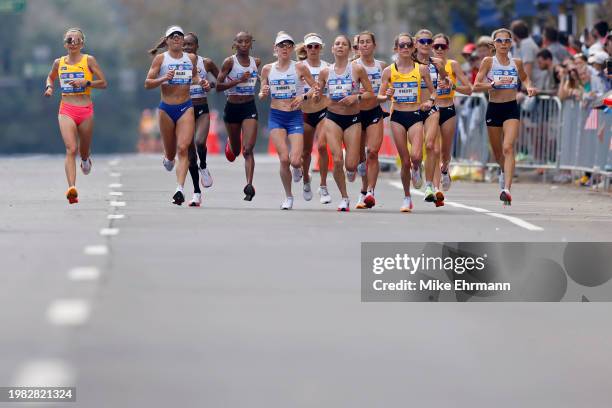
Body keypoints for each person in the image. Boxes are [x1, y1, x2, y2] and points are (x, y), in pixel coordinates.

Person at [145, 25, 208, 205]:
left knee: (183, 148)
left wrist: (201, 82)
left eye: (179, 36)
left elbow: (194, 76)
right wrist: (164, 78)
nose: (176, 39)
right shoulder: (160, 59)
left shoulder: (191, 58)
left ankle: (179, 189)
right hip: (166, 109)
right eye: (172, 37)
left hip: (185, 107)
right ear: (166, 41)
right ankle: (168, 156)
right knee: (172, 153)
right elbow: (148, 83)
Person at [44, 28, 107, 204]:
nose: (73, 43)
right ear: (65, 44)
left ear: (82, 44)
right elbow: (50, 77)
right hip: (66, 109)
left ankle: (85, 159)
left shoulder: (89, 60)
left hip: (85, 109)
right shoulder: (59, 63)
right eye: (69, 40)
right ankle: (72, 189)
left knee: (82, 150)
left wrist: (86, 82)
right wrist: (49, 87)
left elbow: (103, 83)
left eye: (76, 40)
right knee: (71, 149)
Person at [474, 28, 537, 205]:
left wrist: (529, 87)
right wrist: (492, 83)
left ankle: (507, 189)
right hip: (494, 108)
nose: (503, 44)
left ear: (511, 43)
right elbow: (476, 85)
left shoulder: (516, 62)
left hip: (511, 108)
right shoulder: (488, 61)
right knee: (497, 152)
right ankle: (502, 171)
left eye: (507, 41)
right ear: (493, 44)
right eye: (499, 41)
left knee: (508, 147)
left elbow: (525, 78)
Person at [259, 32, 319, 210]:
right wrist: (263, 92)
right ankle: (288, 196)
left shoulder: (300, 67)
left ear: (292, 49)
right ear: (275, 49)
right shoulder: (268, 69)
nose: (285, 49)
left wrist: (303, 97)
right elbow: (262, 90)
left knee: (295, 161)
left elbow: (315, 88)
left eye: (288, 45)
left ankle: (300, 171)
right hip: (277, 116)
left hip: (294, 116)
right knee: (284, 159)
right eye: (281, 46)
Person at [378, 33, 436, 212]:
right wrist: (385, 95)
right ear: (396, 49)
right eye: (401, 45)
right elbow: (380, 96)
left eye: (408, 45)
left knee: (416, 156)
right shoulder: (389, 71)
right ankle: (407, 197)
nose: (404, 48)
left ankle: (417, 168)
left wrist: (430, 101)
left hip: (416, 114)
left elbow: (434, 92)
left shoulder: (421, 69)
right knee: (404, 161)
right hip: (397, 118)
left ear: (413, 48)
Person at [317, 35, 374, 211]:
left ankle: (355, 166)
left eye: (343, 44)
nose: (340, 46)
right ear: (332, 49)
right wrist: (316, 95)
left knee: (350, 164)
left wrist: (355, 97)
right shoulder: (325, 72)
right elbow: (318, 94)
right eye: (337, 44)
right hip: (332, 118)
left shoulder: (356, 69)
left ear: (349, 49)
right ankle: (344, 197)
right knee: (337, 159)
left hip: (353, 119)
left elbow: (370, 93)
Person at [216, 32, 261, 201]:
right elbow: (219, 87)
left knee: (247, 149)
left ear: (251, 43)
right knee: (235, 151)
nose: (243, 44)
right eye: (240, 41)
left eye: (246, 41)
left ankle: (249, 185)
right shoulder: (229, 62)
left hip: (249, 107)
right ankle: (231, 143)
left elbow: (261, 79)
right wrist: (238, 80)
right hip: (232, 107)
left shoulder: (256, 62)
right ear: (235, 43)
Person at [430, 33, 472, 203]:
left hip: (448, 109)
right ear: (432, 47)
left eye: (443, 46)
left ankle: (445, 169)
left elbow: (468, 89)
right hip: (432, 110)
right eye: (436, 46)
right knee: (434, 149)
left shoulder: (453, 65)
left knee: (445, 151)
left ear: (447, 48)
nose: (439, 49)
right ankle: (437, 189)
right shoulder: (426, 65)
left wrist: (451, 85)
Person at [183, 32, 219, 207]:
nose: (187, 48)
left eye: (190, 45)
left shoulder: (206, 63)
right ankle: (197, 192)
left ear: (197, 47)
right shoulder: (178, 64)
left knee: (199, 142)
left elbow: (221, 80)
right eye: (184, 45)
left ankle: (203, 165)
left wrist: (210, 84)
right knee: (190, 155)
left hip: (202, 108)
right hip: (185, 109)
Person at [296, 33, 332, 204]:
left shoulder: (328, 67)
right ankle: (306, 181)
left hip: (323, 110)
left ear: (321, 48)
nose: (313, 49)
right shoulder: (298, 67)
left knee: (323, 146)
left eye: (316, 46)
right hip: (304, 112)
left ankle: (323, 186)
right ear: (305, 48)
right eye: (309, 46)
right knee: (305, 151)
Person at [354, 31, 388, 209]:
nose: (365, 45)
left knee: (373, 152)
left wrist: (388, 93)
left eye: (368, 42)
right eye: (362, 42)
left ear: (374, 45)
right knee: (359, 158)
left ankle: (370, 192)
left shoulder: (382, 66)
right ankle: (362, 189)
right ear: (358, 46)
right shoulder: (353, 66)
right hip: (356, 114)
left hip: (375, 111)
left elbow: (388, 86)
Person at [415, 29, 446, 200]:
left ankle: (429, 187)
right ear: (416, 44)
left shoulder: (437, 63)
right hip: (412, 109)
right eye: (422, 41)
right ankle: (415, 166)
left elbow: (446, 79)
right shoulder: (409, 62)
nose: (426, 45)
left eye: (429, 42)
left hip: (432, 108)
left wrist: (445, 80)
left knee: (431, 145)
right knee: (416, 153)